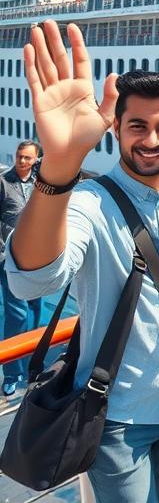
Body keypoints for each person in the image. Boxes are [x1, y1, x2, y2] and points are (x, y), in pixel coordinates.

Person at [4, 20, 159, 503]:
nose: (150, 140)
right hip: (115, 412)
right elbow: (32, 280)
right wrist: (60, 164)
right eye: (137, 125)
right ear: (115, 126)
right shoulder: (87, 201)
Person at [0, 140, 44, 397]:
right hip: (11, 258)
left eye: (28, 158)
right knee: (17, 315)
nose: (22, 161)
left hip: (38, 257)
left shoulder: (41, 183)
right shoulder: (4, 182)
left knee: (34, 311)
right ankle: (13, 374)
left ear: (36, 159)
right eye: (20, 156)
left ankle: (30, 367)